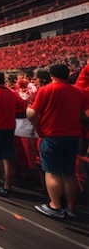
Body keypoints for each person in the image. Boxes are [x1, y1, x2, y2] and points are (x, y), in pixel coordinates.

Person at [26, 64, 88, 219]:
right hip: (73, 136)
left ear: (52, 75)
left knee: (52, 172)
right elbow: (84, 114)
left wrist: (27, 108)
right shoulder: (78, 91)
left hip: (52, 135)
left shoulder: (45, 90)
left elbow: (32, 113)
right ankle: (71, 207)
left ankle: (55, 205)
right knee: (69, 173)